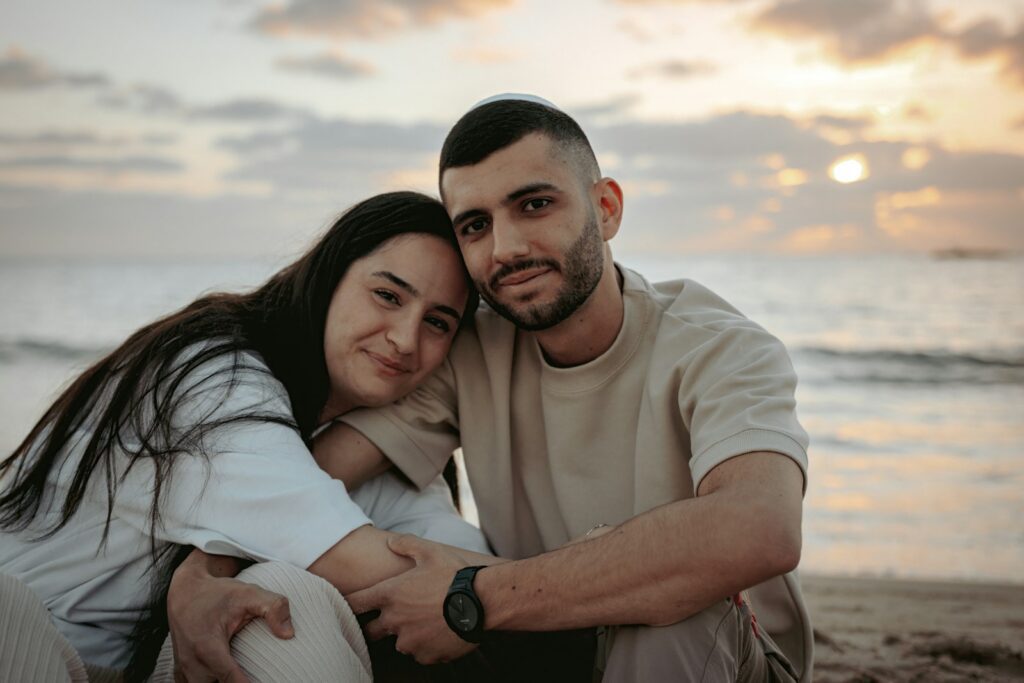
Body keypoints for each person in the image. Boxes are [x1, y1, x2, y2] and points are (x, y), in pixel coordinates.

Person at [174, 96, 814, 682]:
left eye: (535, 204)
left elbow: (759, 528)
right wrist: (200, 576)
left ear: (607, 208)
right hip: (546, 648)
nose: (505, 248)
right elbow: (315, 473)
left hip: (723, 659)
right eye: (475, 225)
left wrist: (473, 597)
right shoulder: (473, 348)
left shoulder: (720, 348)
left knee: (671, 608)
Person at [0, 191, 497, 683]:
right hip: (34, 642)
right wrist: (555, 586)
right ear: (329, 278)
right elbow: (357, 559)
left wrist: (535, 592)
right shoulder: (217, 377)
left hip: (145, 669)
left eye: (437, 322)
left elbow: (457, 554)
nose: (405, 339)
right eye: (387, 296)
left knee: (284, 599)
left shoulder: (370, 442)